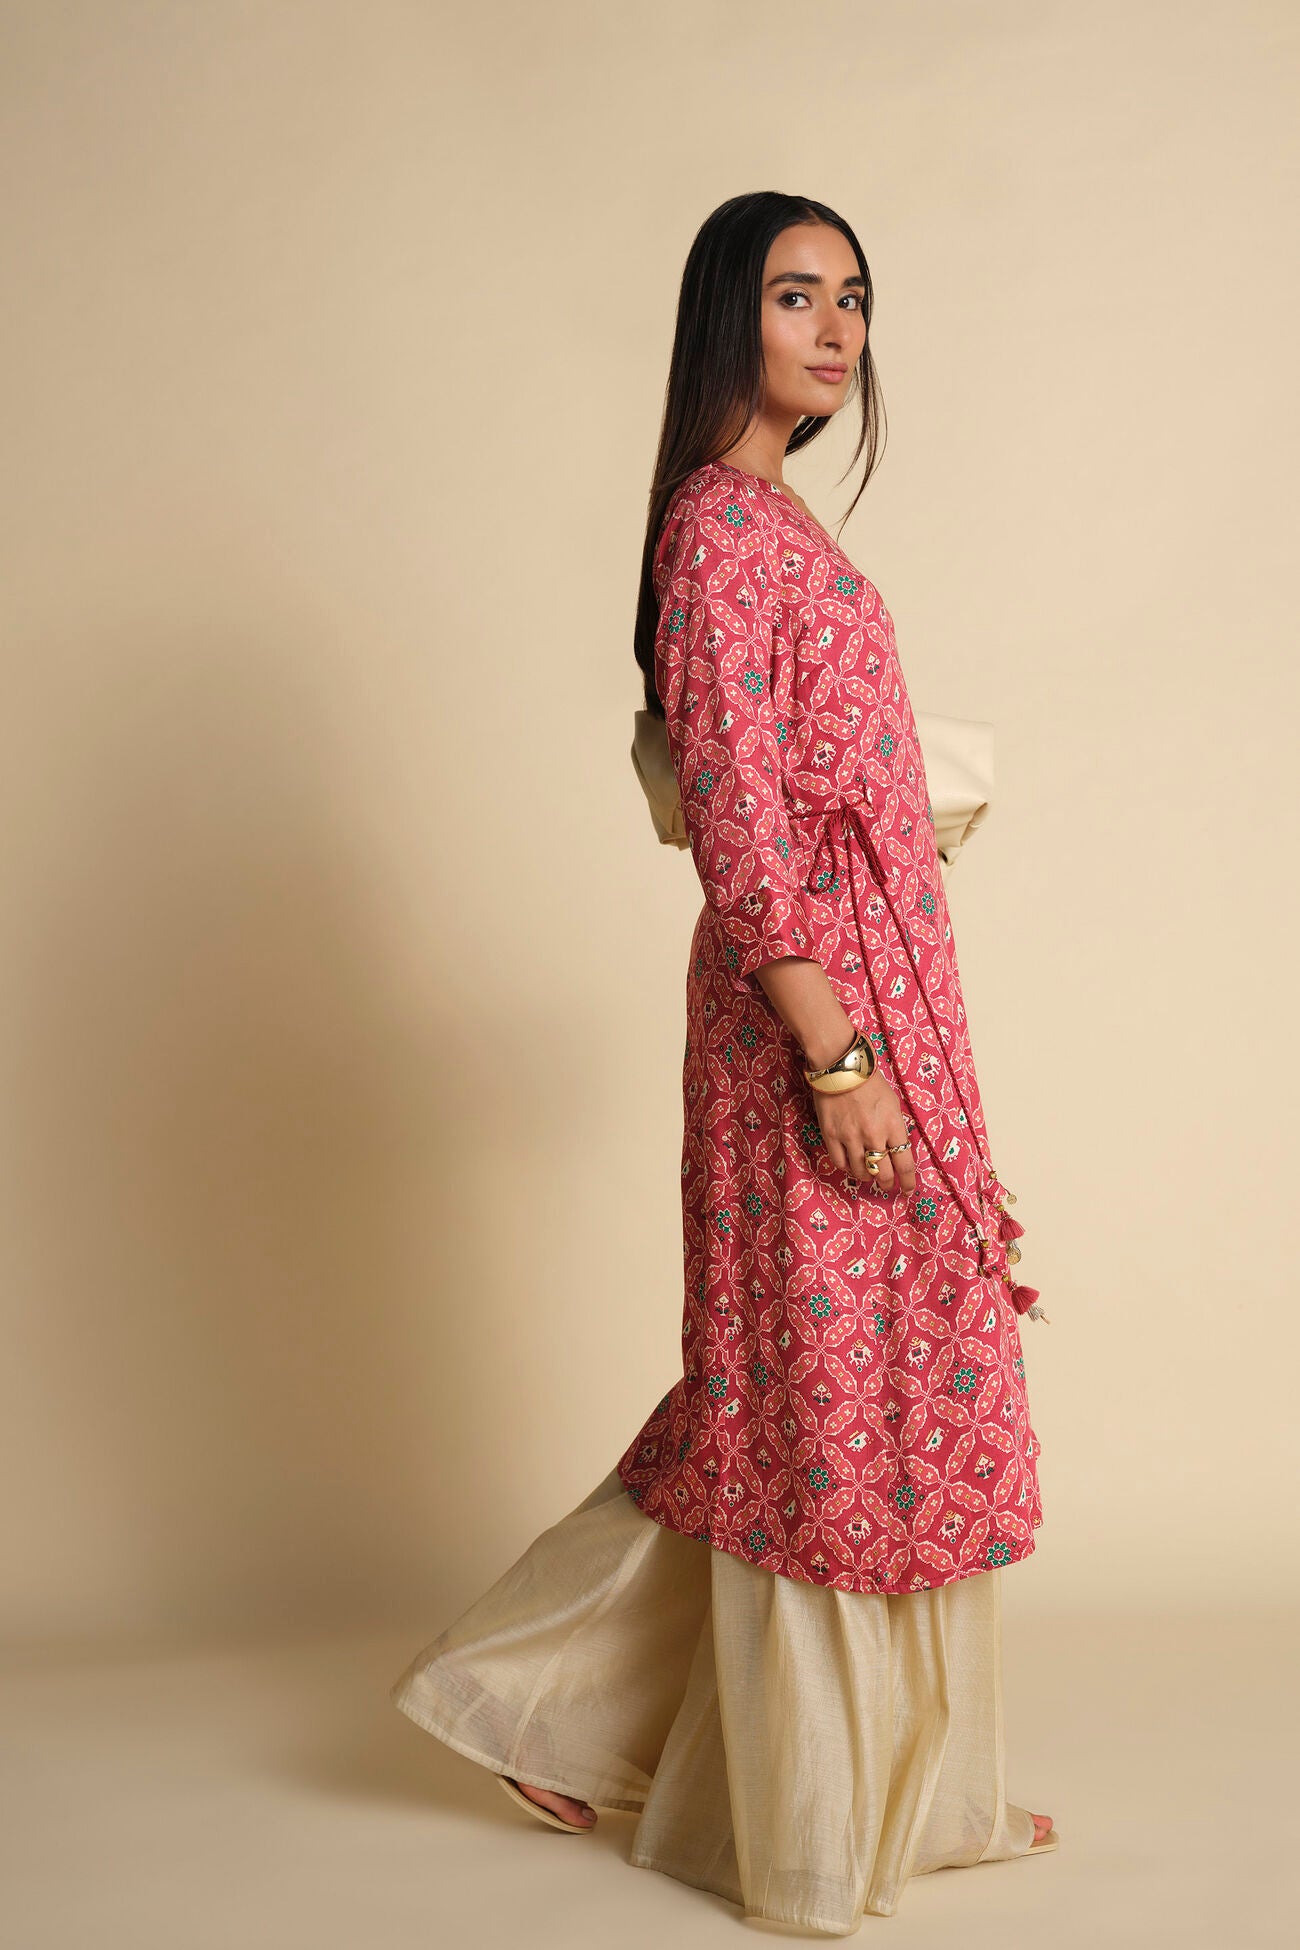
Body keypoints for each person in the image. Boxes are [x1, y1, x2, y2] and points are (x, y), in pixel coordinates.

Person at [391, 191, 1056, 1936]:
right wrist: (833, 1058)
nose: (836, 329)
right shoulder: (714, 531)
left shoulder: (777, 523)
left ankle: (895, 1779)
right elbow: (743, 823)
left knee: (847, 1376)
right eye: (795, 296)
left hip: (878, 983)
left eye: (854, 299)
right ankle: (798, 1813)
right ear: (723, 320)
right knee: (808, 1393)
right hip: (803, 1013)